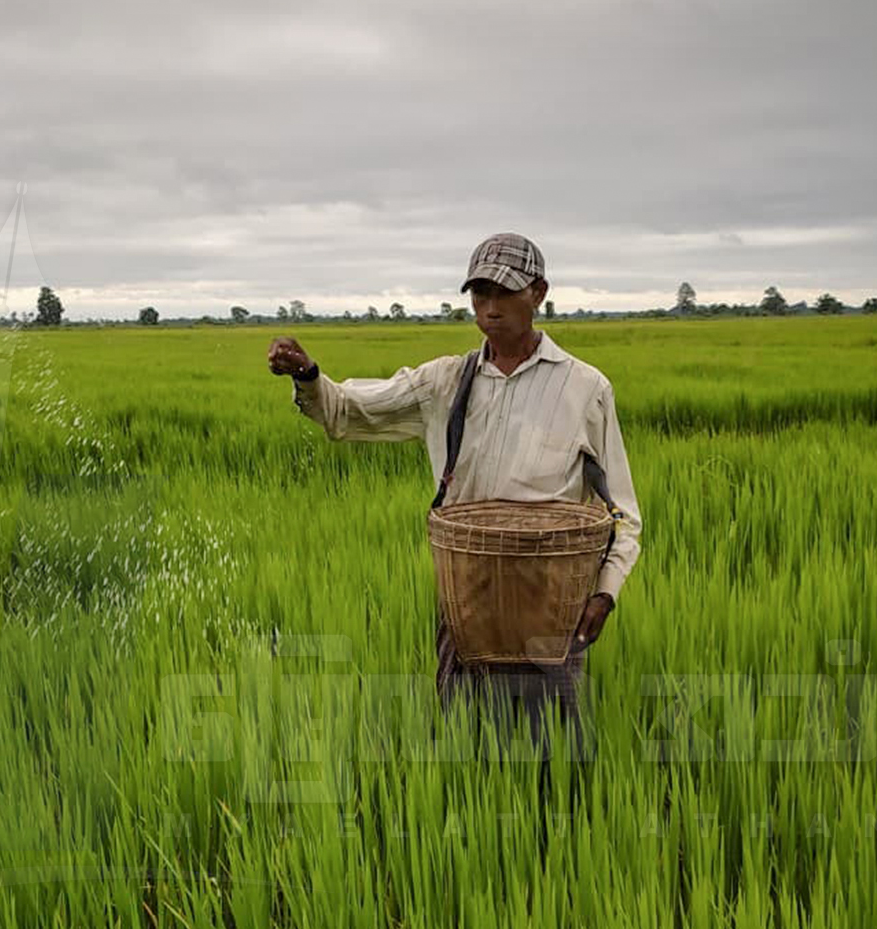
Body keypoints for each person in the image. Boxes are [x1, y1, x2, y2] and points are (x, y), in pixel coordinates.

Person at [267, 232, 642, 797]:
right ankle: (469, 845)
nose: (487, 308)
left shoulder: (584, 388)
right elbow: (350, 413)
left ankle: (553, 853)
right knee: (465, 751)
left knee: (552, 763)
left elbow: (623, 512)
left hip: (549, 603)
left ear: (538, 292)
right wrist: (308, 376)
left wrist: (605, 592)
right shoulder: (447, 381)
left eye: (502, 293)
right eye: (478, 294)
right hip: (466, 600)